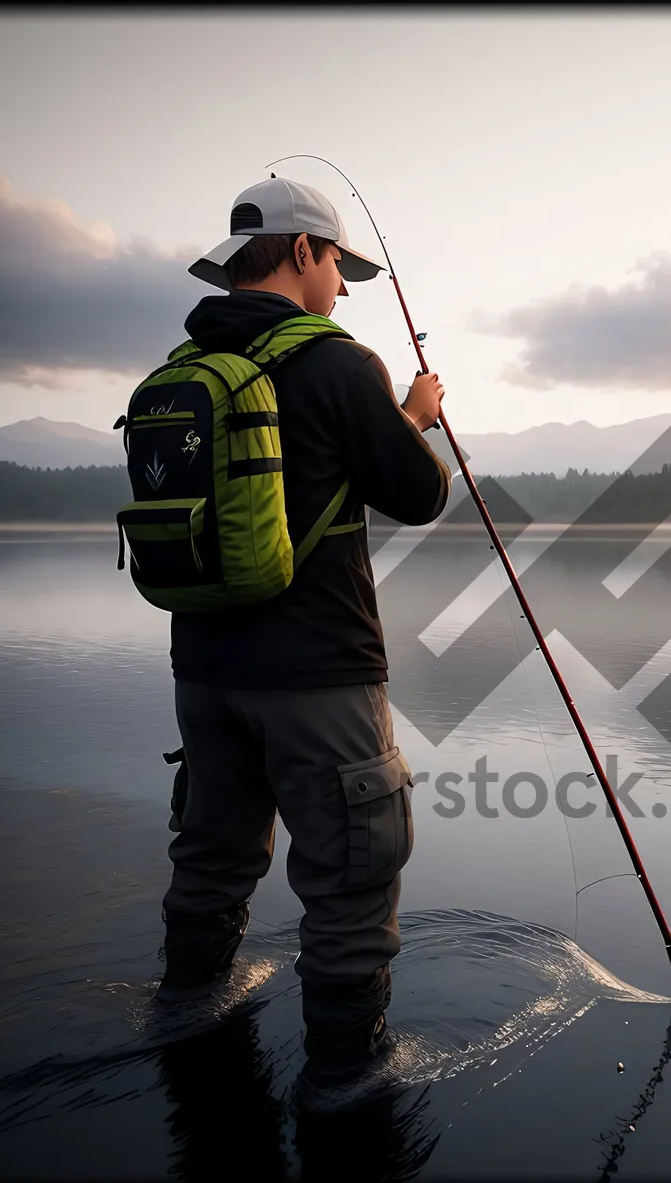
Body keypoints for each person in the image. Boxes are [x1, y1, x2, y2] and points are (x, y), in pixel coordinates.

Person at [153, 176, 451, 1107]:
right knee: (354, 875)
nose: (345, 289)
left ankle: (187, 1012)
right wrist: (414, 415)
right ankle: (347, 1076)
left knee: (211, 855)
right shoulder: (340, 364)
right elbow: (420, 495)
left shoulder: (179, 365)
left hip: (203, 673)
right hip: (320, 673)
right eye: (338, 265)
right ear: (301, 253)